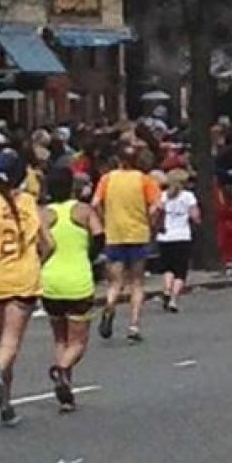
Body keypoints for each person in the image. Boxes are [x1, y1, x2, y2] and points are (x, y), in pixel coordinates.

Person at [0, 151, 54, 426]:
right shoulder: (28, 202)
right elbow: (49, 243)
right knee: (11, 341)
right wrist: (37, 262)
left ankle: (6, 405)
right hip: (23, 277)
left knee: (1, 339)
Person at [40, 166, 104, 413]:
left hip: (51, 281)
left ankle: (66, 393)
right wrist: (88, 256)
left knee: (60, 337)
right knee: (78, 342)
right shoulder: (83, 210)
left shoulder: (43, 214)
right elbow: (99, 238)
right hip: (77, 279)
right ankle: (62, 370)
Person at [92, 145, 163, 342]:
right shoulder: (145, 180)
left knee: (115, 281)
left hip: (114, 234)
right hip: (138, 235)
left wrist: (104, 219)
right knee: (137, 282)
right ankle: (134, 325)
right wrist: (151, 223)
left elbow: (95, 203)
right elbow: (157, 206)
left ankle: (110, 305)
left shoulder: (107, 179)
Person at [156, 169, 200, 313]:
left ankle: (167, 289)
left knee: (168, 267)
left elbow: (157, 212)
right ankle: (174, 300)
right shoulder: (188, 196)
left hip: (165, 236)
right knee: (180, 271)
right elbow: (195, 216)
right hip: (182, 236)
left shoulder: (163, 196)